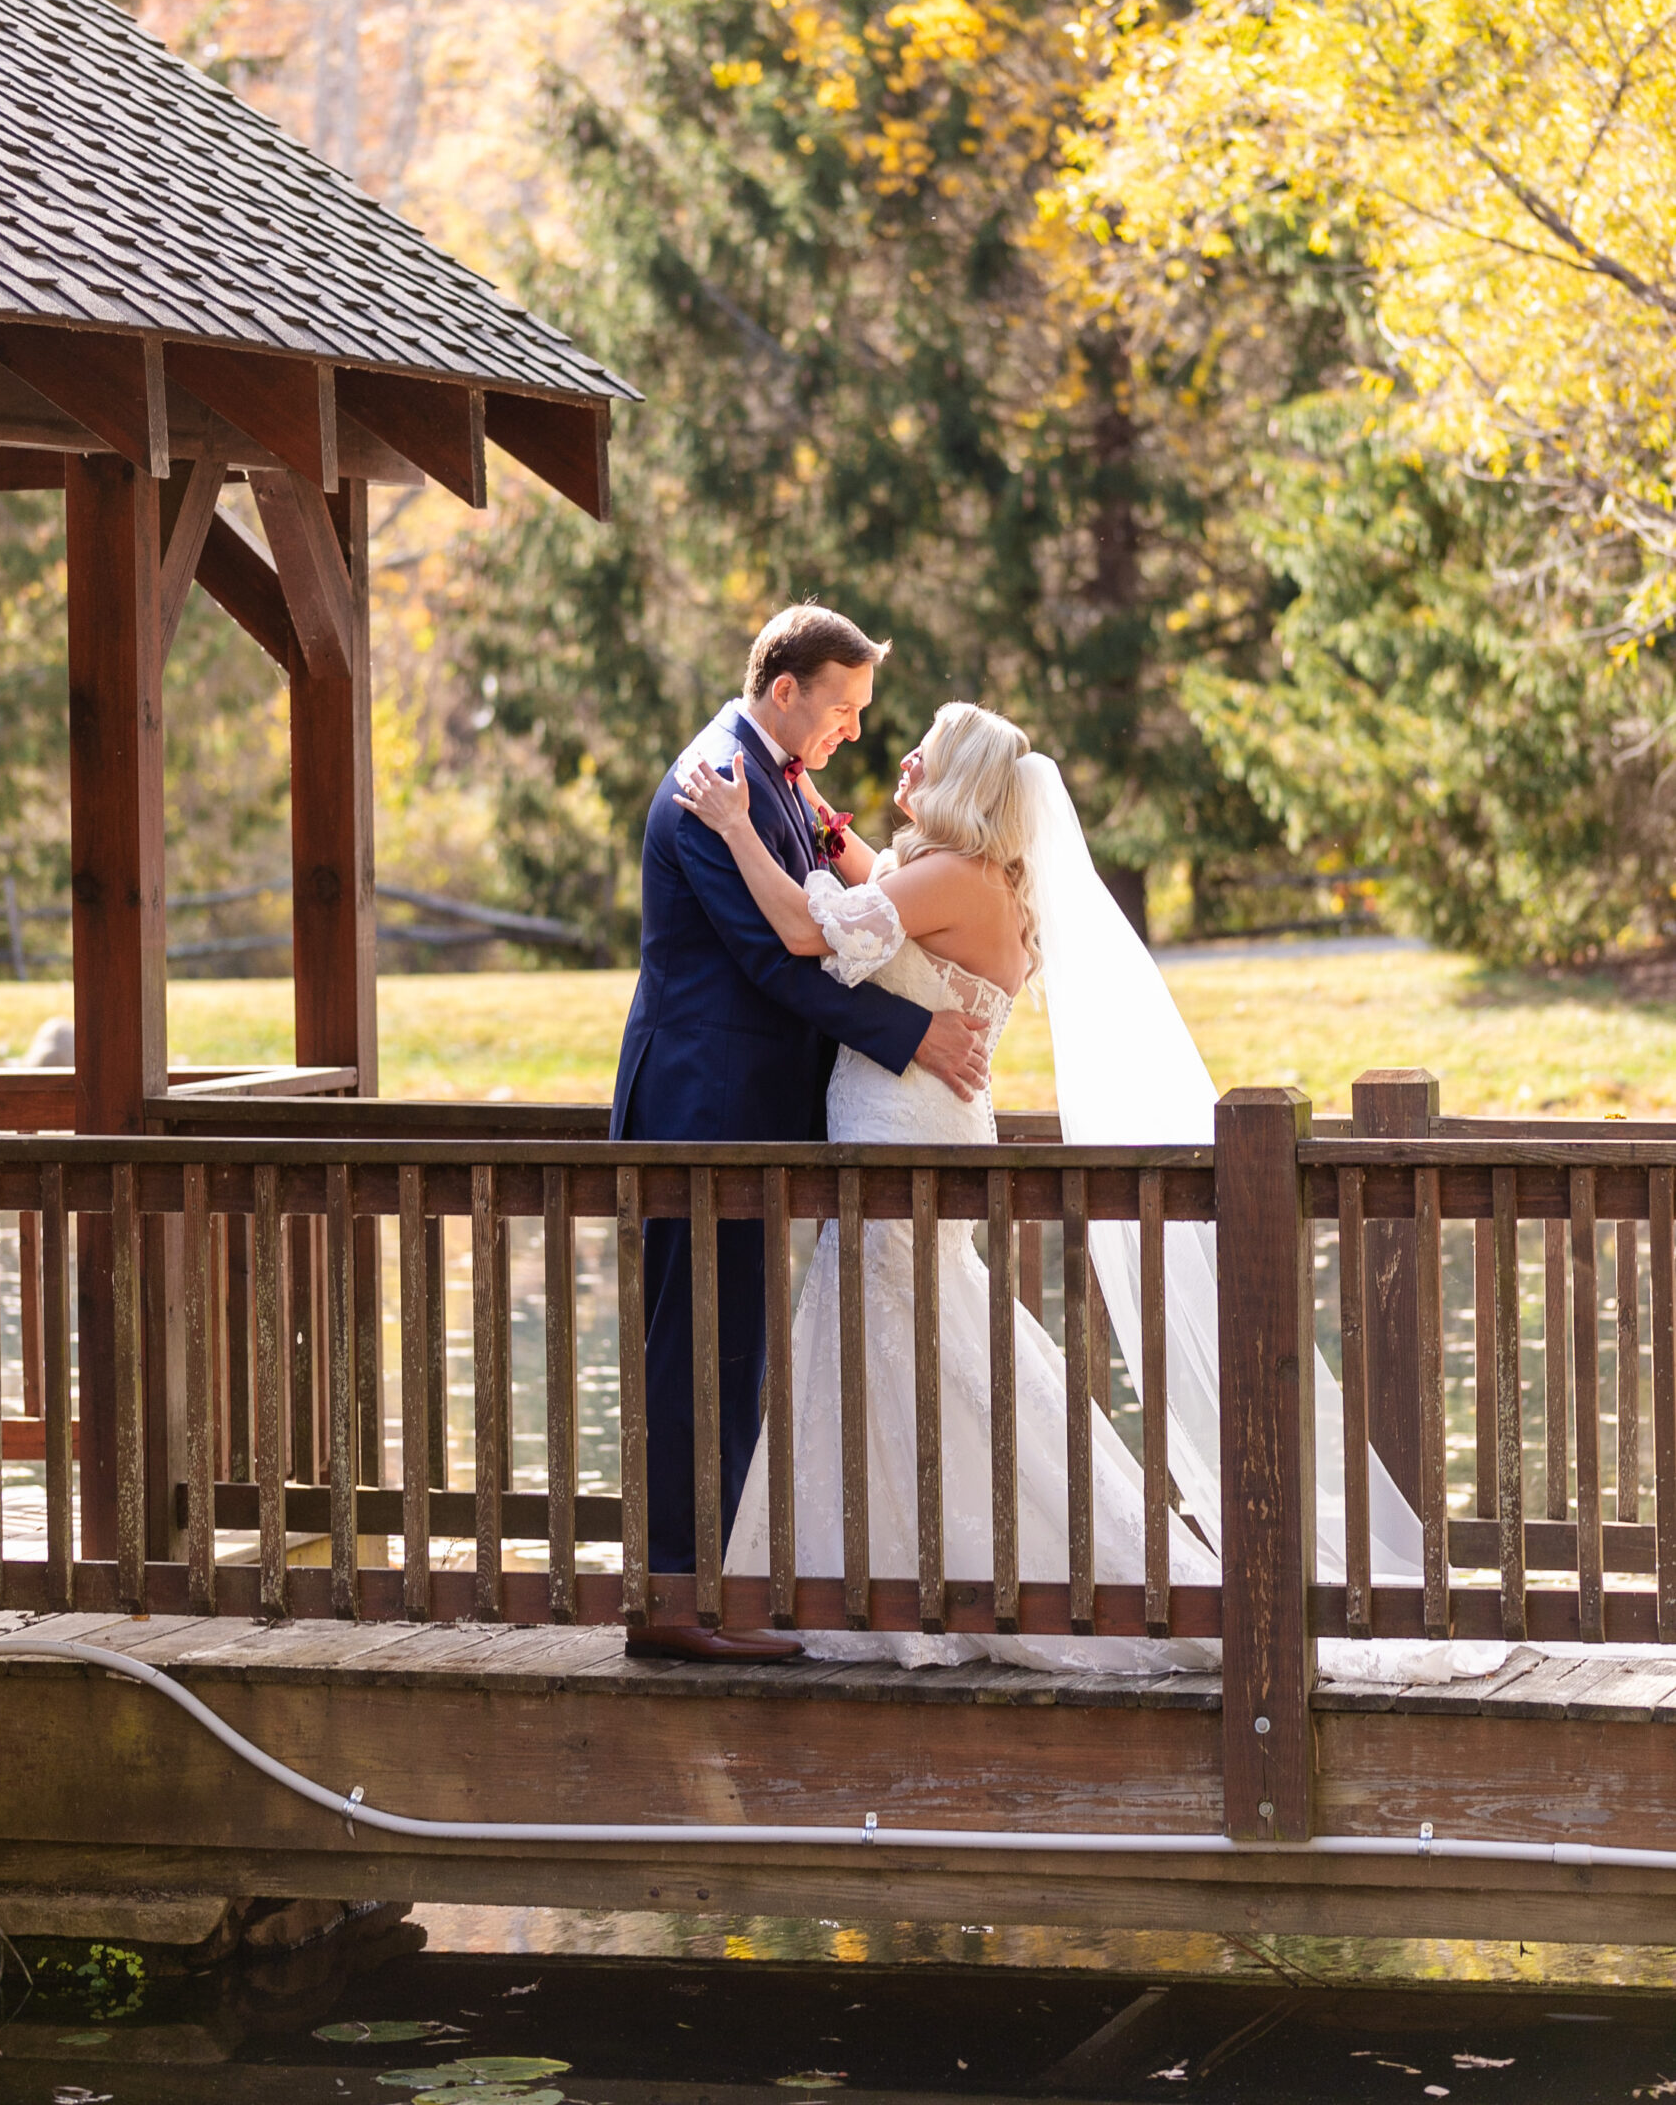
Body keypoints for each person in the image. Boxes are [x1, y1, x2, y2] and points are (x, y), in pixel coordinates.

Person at [675, 699, 1430, 1672]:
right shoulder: (962, 878)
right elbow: (865, 876)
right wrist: (807, 800)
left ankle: (901, 1581)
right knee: (903, 1346)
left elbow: (802, 923)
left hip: (904, 1130)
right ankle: (883, 1573)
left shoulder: (952, 879)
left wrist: (738, 824)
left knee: (898, 1338)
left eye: (927, 751)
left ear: (962, 784)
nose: (905, 757)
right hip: (910, 1124)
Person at [611, 605, 989, 1663]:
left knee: (734, 1350)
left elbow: (837, 895)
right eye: (845, 706)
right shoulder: (709, 790)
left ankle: (709, 1583)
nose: (856, 730)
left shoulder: (772, 778)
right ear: (787, 690)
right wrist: (915, 1034)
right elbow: (779, 960)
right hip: (703, 1113)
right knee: (699, 1352)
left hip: (746, 1115)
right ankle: (674, 1604)